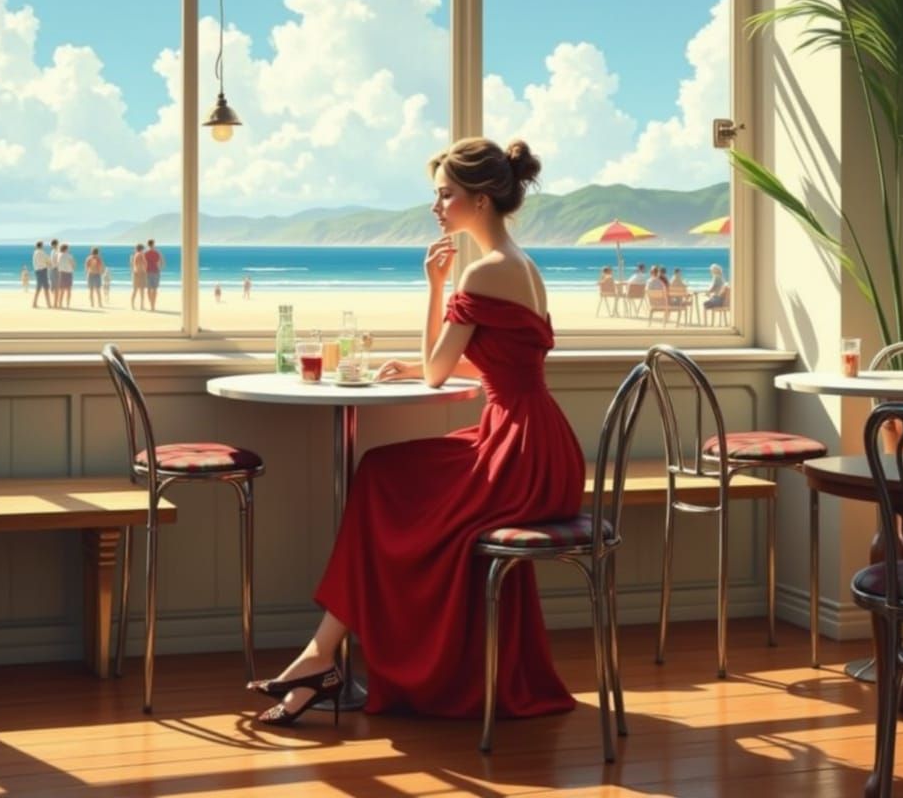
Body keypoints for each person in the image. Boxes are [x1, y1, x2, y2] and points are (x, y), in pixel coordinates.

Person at [248, 137, 585, 728]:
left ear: (478, 200)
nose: (436, 205)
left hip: (517, 452)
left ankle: (320, 659)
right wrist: (432, 350)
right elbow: (502, 363)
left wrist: (435, 289)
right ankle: (320, 659)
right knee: (385, 477)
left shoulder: (483, 272)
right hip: (542, 445)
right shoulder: (522, 265)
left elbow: (434, 371)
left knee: (380, 474)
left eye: (445, 194)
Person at [144, 239, 165, 312]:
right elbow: (162, 262)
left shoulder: (145, 253)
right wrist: (160, 268)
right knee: (155, 289)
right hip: (156, 271)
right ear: (153, 244)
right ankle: (153, 305)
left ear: (148, 244)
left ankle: (151, 305)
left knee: (149, 289)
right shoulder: (157, 253)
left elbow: (143, 263)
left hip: (147, 272)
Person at [32, 241, 52, 308]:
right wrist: (49, 265)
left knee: (39, 287)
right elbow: (48, 260)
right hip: (42, 270)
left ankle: (34, 303)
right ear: (41, 246)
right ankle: (48, 304)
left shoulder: (35, 253)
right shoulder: (42, 252)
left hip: (37, 271)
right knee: (46, 287)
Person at [56, 243, 76, 308]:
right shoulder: (69, 256)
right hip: (68, 273)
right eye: (68, 248)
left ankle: (60, 304)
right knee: (68, 290)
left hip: (61, 273)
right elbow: (73, 265)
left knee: (61, 290)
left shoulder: (58, 255)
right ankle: (67, 304)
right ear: (66, 249)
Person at [130, 243, 147, 310]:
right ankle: (141, 306)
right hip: (140, 273)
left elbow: (133, 266)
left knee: (135, 290)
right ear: (141, 249)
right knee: (141, 290)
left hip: (135, 273)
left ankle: (133, 305)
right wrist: (144, 272)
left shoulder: (134, 255)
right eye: (143, 249)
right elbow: (141, 265)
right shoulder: (140, 255)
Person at [49, 239, 61, 309]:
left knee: (55, 287)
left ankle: (56, 303)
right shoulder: (54, 251)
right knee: (53, 288)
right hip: (53, 270)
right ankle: (56, 302)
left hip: (55, 270)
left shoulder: (56, 251)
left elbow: (57, 261)